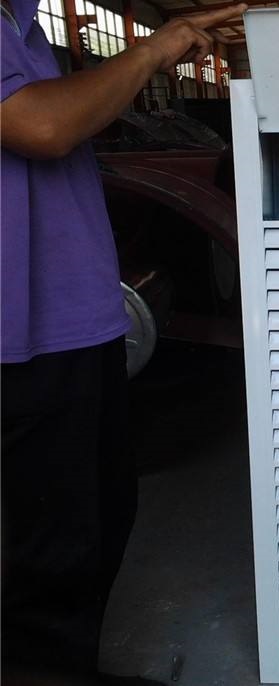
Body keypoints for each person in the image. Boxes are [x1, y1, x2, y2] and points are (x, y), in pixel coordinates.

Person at [0, 1, 247, 683]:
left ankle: (61, 664)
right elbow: (41, 125)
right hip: (19, 331)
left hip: (70, 314)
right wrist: (150, 50)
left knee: (99, 510)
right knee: (52, 533)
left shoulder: (23, 23)